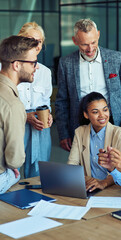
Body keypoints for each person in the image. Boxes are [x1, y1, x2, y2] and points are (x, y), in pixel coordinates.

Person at [55, 18, 121, 152]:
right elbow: (61, 101)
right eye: (84, 44)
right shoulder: (65, 63)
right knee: (83, 166)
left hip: (112, 122)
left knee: (114, 166)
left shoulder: (117, 59)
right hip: (80, 124)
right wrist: (63, 133)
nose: (90, 49)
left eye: (93, 42)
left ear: (98, 34)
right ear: (74, 40)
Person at [68, 92, 121, 192]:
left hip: (113, 188)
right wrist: (76, 179)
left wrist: (103, 183)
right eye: (95, 112)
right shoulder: (80, 132)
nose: (102, 115)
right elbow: (73, 162)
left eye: (105, 110)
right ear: (86, 115)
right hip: (89, 187)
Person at [0, 35, 39, 193]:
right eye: (33, 63)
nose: (36, 67)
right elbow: (14, 160)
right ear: (16, 65)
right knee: (16, 175)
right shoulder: (13, 105)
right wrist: (13, 168)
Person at [17, 22, 53, 178]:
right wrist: (25, 116)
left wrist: (49, 114)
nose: (35, 44)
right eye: (30, 39)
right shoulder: (4, 69)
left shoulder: (45, 72)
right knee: (12, 172)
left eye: (39, 41)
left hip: (40, 128)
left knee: (38, 176)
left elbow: (46, 101)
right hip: (16, 126)